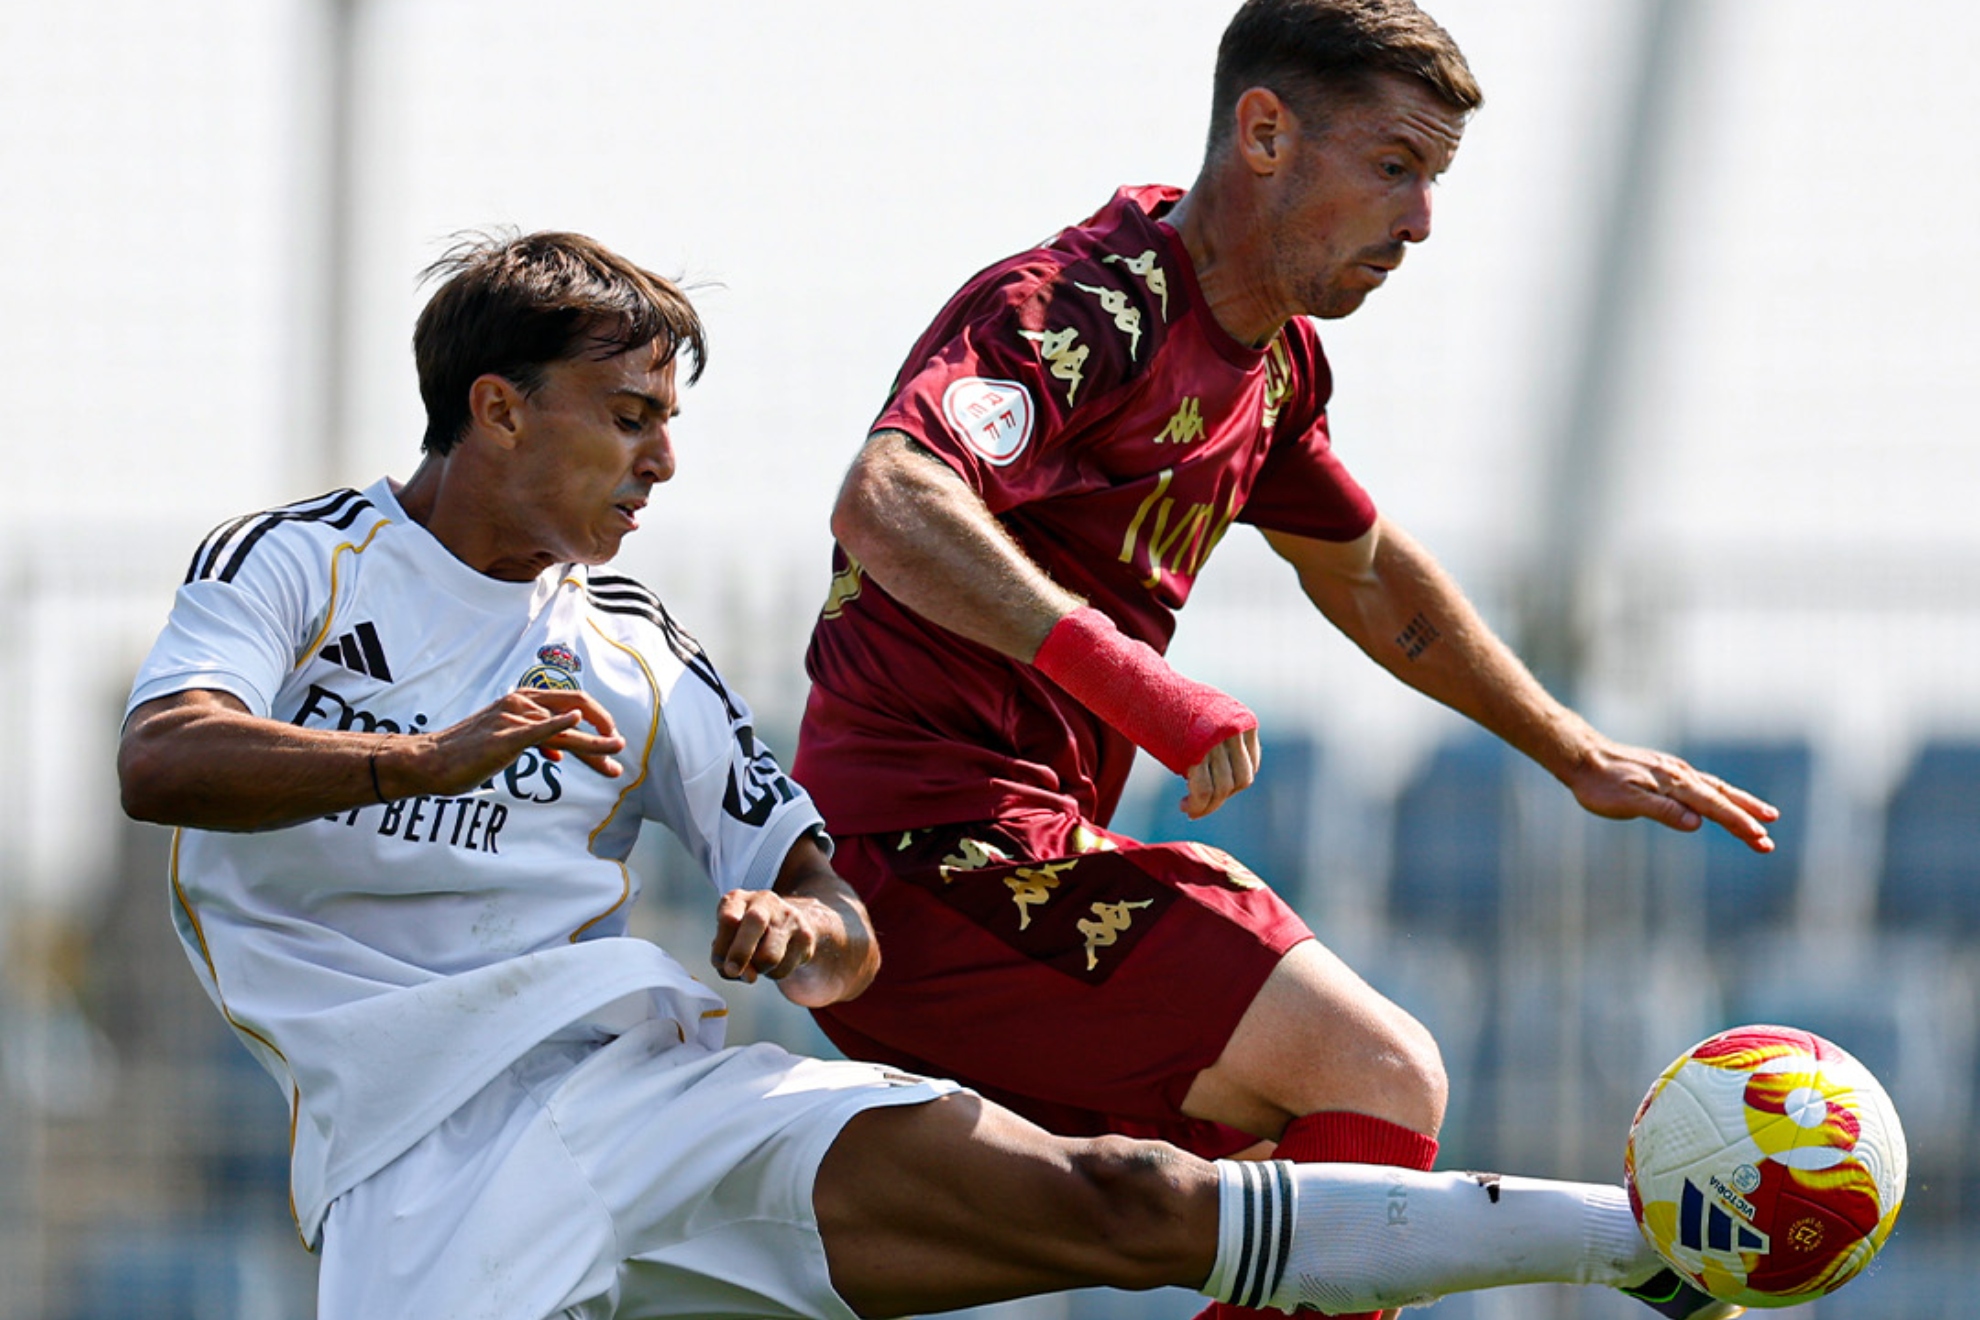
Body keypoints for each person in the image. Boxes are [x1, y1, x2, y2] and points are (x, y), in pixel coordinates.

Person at [116, 230, 1733, 1319]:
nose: (665, 462)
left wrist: (795, 935)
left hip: (642, 1090)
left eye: (672, 421)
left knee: (1122, 1198)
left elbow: (835, 907)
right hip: (412, 1172)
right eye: (627, 418)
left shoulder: (632, 642)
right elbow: (163, 757)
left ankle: (1658, 1240)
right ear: (495, 407)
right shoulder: (299, 566)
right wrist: (434, 752)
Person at [793, 4, 1768, 1319]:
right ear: (1264, 133)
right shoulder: (1088, 306)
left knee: (1296, 1187)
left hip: (1009, 868)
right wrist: (1142, 688)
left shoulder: (1275, 367)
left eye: (1435, 181)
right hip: (923, 861)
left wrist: (1569, 747)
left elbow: (1363, 568)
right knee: (1377, 1077)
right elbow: (888, 499)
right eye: (1395, 168)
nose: (1421, 221)